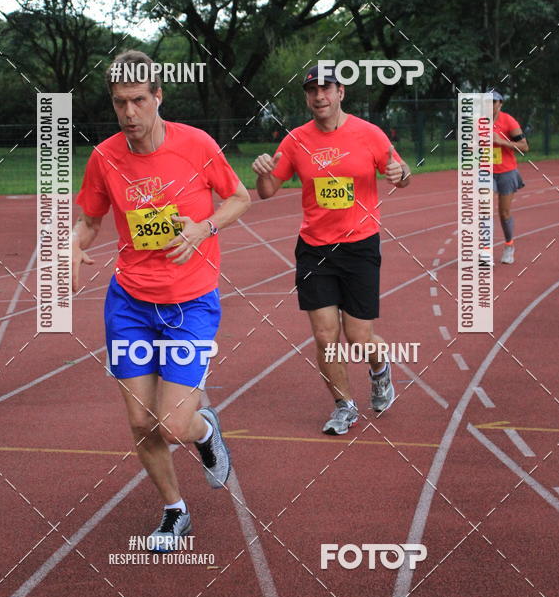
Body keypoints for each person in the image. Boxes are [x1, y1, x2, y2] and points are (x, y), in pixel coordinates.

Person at [72, 50, 250, 548]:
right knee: (137, 419)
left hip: (190, 303)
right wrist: (71, 246)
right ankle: (175, 511)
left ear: (158, 97)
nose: (129, 113)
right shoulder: (105, 157)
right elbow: (89, 220)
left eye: (137, 101)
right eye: (118, 103)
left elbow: (240, 197)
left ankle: (204, 430)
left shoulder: (196, 145)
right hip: (129, 301)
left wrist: (204, 226)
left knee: (172, 424)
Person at [252, 65, 411, 435]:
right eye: (311, 91)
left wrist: (400, 174)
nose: (318, 96)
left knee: (357, 338)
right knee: (325, 337)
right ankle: (344, 406)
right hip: (314, 249)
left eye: (326, 88)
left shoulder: (369, 134)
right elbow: (267, 191)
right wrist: (262, 172)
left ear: (341, 92)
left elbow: (401, 173)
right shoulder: (294, 141)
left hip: (359, 247)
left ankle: (380, 367)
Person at [491, 90, 528, 264]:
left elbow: (524, 146)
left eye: (493, 102)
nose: (490, 105)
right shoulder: (477, 122)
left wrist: (501, 141)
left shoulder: (508, 120)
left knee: (503, 212)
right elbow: (470, 145)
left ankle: (509, 245)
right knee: (484, 210)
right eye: (487, 102)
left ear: (500, 104)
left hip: (506, 171)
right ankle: (485, 251)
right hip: (486, 172)